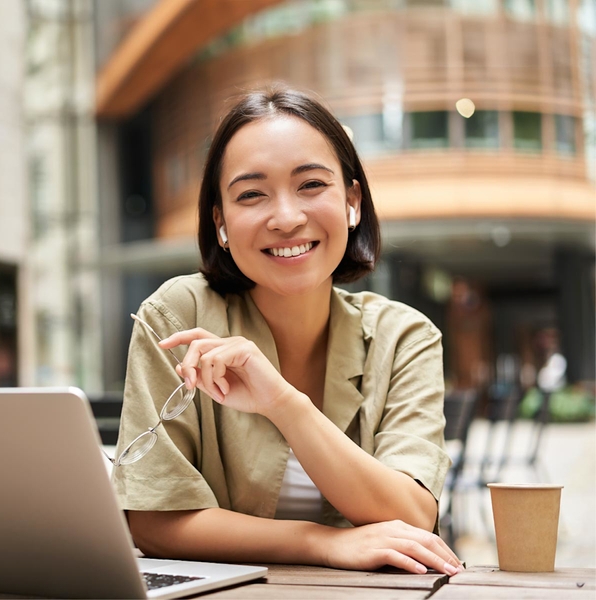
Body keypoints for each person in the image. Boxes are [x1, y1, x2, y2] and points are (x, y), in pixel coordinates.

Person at [113, 86, 461, 575]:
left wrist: (284, 403)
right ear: (221, 223)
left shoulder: (404, 335)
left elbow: (412, 514)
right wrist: (323, 543)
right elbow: (152, 519)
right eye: (251, 194)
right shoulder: (178, 314)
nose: (286, 218)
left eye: (312, 185)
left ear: (352, 201)